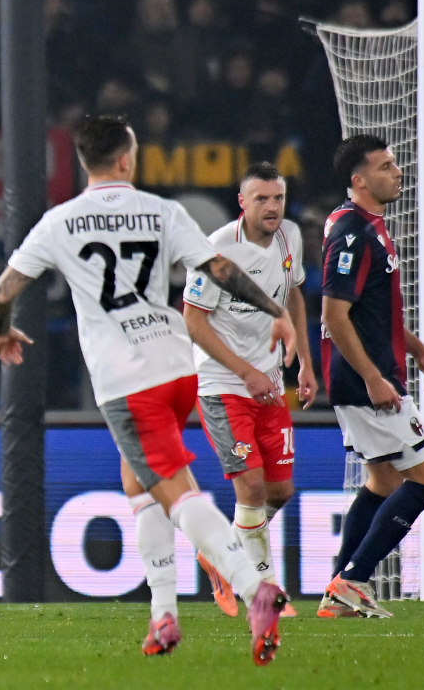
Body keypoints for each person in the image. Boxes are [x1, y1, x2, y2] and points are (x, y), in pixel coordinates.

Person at [0, 115, 294, 665]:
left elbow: (2, 292)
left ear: (85, 162)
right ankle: (164, 614)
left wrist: (1, 330)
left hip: (127, 380)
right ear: (128, 159)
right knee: (140, 483)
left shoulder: (59, 222)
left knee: (175, 492)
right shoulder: (163, 211)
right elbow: (220, 267)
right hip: (177, 367)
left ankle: (255, 588)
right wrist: (275, 309)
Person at [317, 134, 424, 618]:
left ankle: (340, 584)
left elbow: (379, 313)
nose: (397, 172)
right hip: (369, 382)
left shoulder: (366, 225)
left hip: (375, 375)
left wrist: (419, 351)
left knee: (384, 479)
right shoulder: (352, 231)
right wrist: (375, 377)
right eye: (386, 166)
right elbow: (334, 314)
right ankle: (353, 580)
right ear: (359, 180)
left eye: (394, 164)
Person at [181, 162, 317, 619]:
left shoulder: (289, 237)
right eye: (261, 199)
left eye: (277, 198)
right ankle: (264, 590)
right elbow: (193, 322)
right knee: (252, 488)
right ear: (242, 203)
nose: (272, 207)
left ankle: (225, 557)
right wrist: (245, 372)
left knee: (279, 492)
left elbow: (294, 295)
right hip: (223, 386)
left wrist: (305, 363)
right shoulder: (218, 249)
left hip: (270, 386)